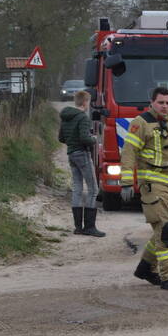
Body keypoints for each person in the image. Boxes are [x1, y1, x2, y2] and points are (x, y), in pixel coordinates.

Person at [121, 87, 168, 291]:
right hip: (153, 185)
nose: (165, 106)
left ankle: (145, 267)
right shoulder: (140, 123)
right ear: (151, 102)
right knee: (166, 229)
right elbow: (129, 152)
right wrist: (126, 182)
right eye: (161, 102)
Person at [58, 90, 105, 237]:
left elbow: (61, 138)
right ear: (85, 102)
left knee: (77, 188)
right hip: (82, 154)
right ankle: (90, 227)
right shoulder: (83, 118)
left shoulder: (65, 117)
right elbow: (85, 138)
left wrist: (72, 142)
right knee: (93, 189)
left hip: (71, 154)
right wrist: (94, 139)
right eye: (88, 102)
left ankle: (78, 227)